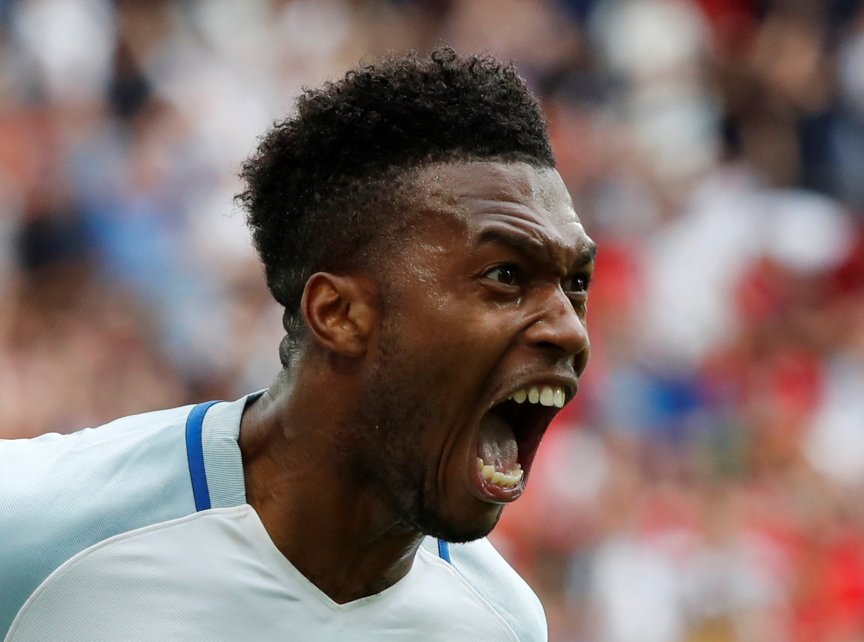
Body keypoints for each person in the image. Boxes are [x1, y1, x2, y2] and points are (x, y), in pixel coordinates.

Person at [0, 48, 595, 641]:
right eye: (506, 276)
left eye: (576, 285)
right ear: (338, 314)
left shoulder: (500, 622)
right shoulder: (35, 530)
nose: (570, 328)